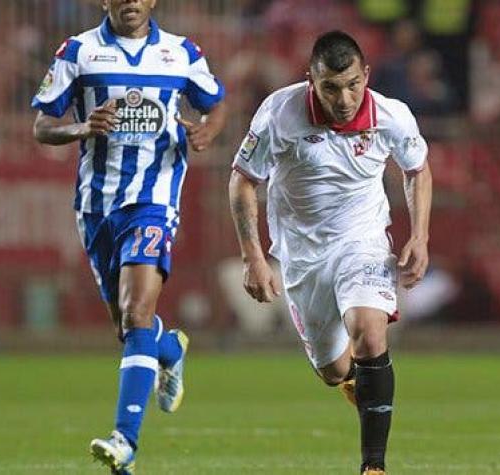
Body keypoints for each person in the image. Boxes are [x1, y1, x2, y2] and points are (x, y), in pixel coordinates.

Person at [31, 1, 226, 473]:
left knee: (138, 312)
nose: (131, 2)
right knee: (128, 327)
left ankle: (125, 442)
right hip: (96, 207)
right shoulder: (79, 51)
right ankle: (168, 346)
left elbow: (215, 102)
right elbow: (41, 127)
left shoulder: (180, 53)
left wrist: (207, 132)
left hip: (155, 200)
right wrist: (82, 126)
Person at [228, 31, 432, 475]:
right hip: (302, 255)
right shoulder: (279, 113)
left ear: (367, 76)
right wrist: (253, 257)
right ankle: (355, 381)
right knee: (335, 370)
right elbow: (243, 181)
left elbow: (417, 169)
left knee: (368, 330)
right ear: (311, 81)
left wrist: (420, 236)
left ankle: (373, 467)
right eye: (331, 87)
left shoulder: (392, 116)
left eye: (353, 84)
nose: (344, 98)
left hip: (362, 241)